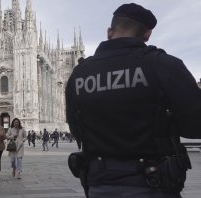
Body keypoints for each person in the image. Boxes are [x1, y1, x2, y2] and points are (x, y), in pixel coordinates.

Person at [65, 3, 201, 198]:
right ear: (147, 34)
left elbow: (75, 128)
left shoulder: (79, 74)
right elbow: (195, 125)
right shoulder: (163, 64)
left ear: (109, 32)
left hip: (99, 184)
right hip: (153, 183)